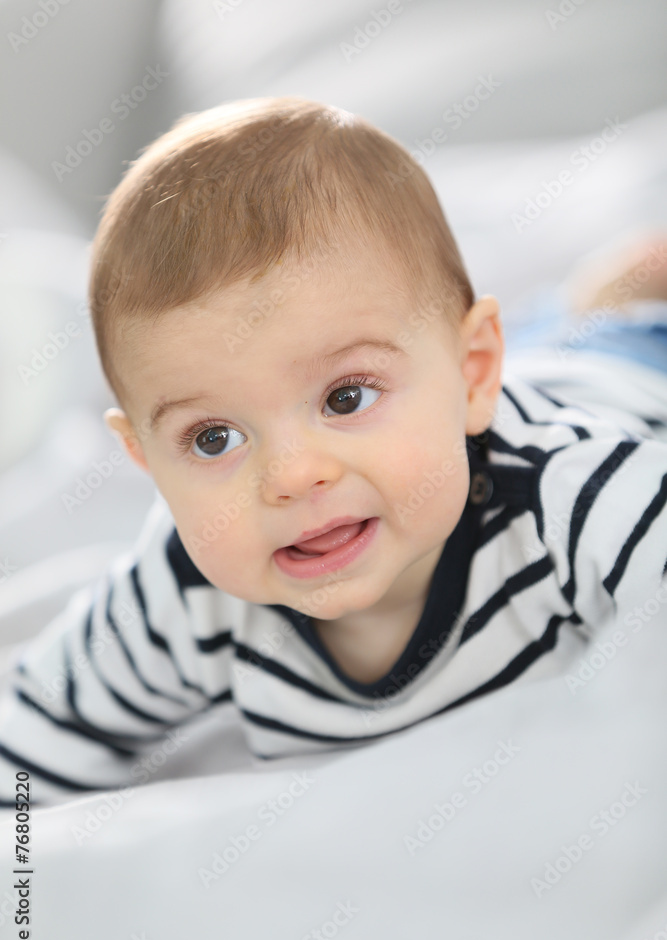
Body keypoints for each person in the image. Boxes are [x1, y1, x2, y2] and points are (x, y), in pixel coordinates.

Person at [1, 96, 666, 809]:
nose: (291, 475)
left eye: (346, 398)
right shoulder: (181, 596)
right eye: (213, 438)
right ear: (147, 463)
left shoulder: (579, 500)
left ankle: (607, 299)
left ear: (475, 373)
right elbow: (30, 743)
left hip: (615, 378)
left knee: (599, 332)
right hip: (464, 376)